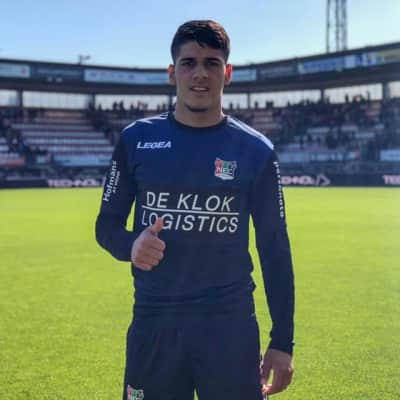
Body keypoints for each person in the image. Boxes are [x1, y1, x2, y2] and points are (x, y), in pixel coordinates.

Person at [96, 20, 295, 400]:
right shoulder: (136, 140)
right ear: (172, 72)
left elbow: (274, 248)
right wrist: (131, 246)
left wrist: (283, 340)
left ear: (227, 72)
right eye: (188, 63)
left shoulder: (256, 151)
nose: (200, 73)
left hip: (230, 327)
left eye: (211, 63)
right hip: (154, 323)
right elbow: (106, 225)